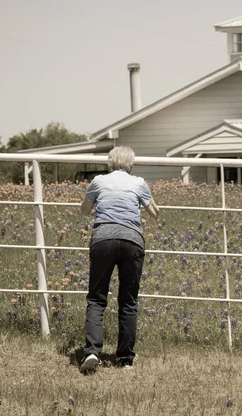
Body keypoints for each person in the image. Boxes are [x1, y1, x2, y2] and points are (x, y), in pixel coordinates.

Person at [79, 146, 160, 373]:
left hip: (103, 239)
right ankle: (125, 359)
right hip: (132, 241)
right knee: (128, 301)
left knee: (96, 299)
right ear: (130, 165)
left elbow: (84, 210)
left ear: (109, 163)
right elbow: (155, 213)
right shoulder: (139, 182)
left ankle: (93, 351)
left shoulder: (98, 181)